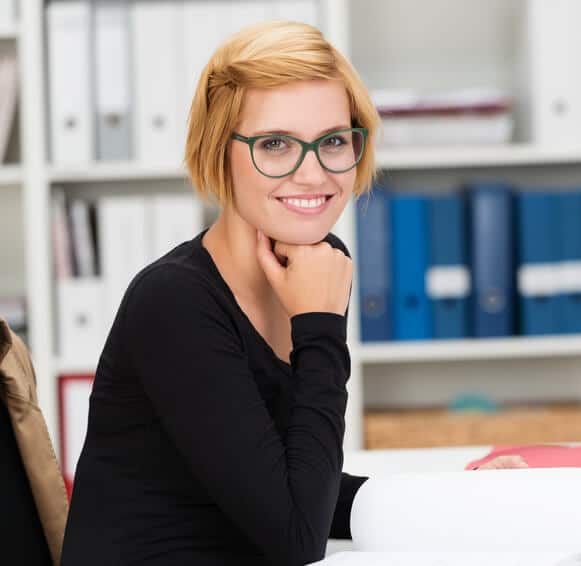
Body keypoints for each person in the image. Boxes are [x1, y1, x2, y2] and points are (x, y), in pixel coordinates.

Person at [60, 20, 379, 566]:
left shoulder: (317, 266)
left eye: (333, 141)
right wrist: (320, 329)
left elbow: (293, 488)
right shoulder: (174, 302)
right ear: (219, 152)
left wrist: (442, 496)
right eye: (275, 144)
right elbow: (295, 536)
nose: (313, 173)